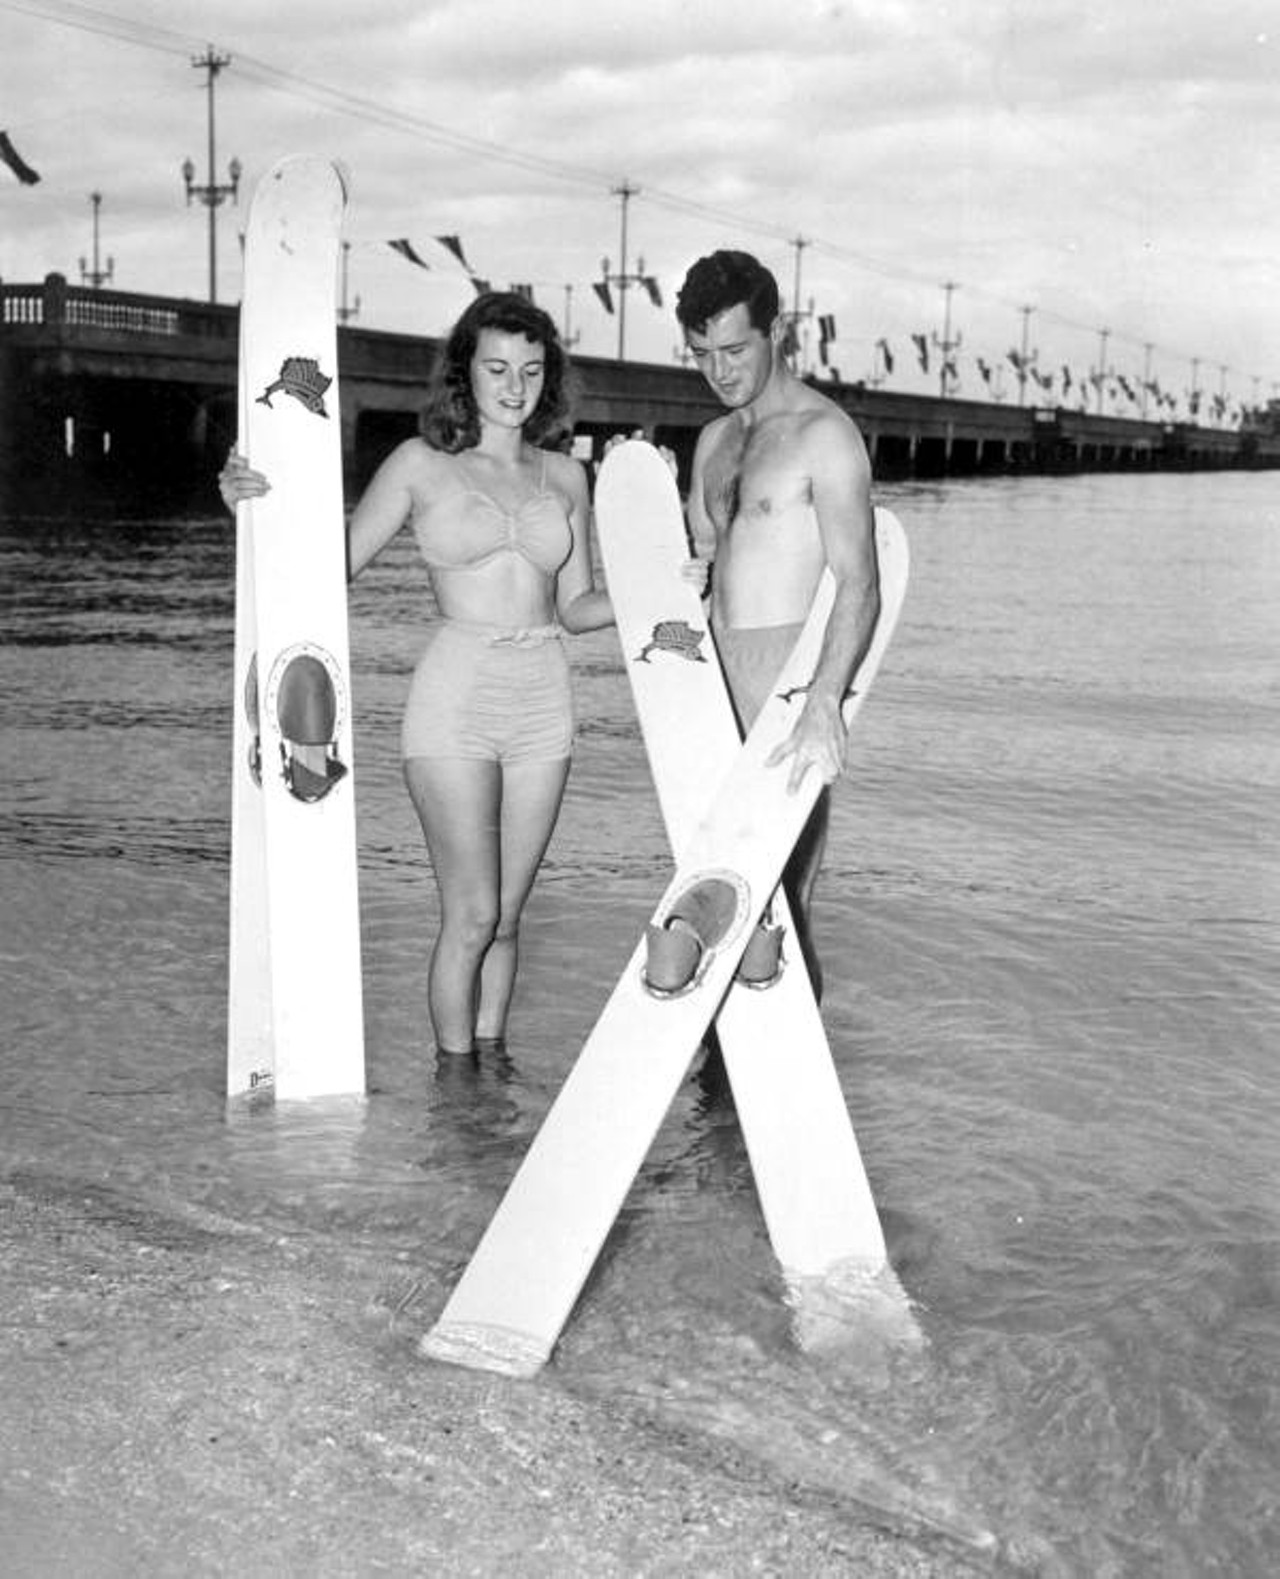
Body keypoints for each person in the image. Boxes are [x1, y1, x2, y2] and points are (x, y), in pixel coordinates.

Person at [220, 291, 612, 1058]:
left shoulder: (566, 477)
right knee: (469, 914)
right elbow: (328, 569)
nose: (514, 385)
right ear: (465, 370)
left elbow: (579, 607)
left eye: (531, 370)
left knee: (507, 916)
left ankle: (490, 1073)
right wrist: (249, 509)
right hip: (455, 700)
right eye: (497, 366)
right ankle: (454, 1084)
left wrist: (670, 585)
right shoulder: (420, 464)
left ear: (548, 378)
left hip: (544, 700)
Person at [675, 249, 880, 995]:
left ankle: (793, 1093)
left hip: (786, 680)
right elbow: (707, 562)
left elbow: (860, 580)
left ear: (777, 330)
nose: (720, 371)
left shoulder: (825, 435)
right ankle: (716, 1091)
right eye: (702, 355)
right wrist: (691, 578)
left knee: (784, 901)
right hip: (710, 680)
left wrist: (825, 698)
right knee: (711, 890)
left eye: (735, 349)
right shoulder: (711, 442)